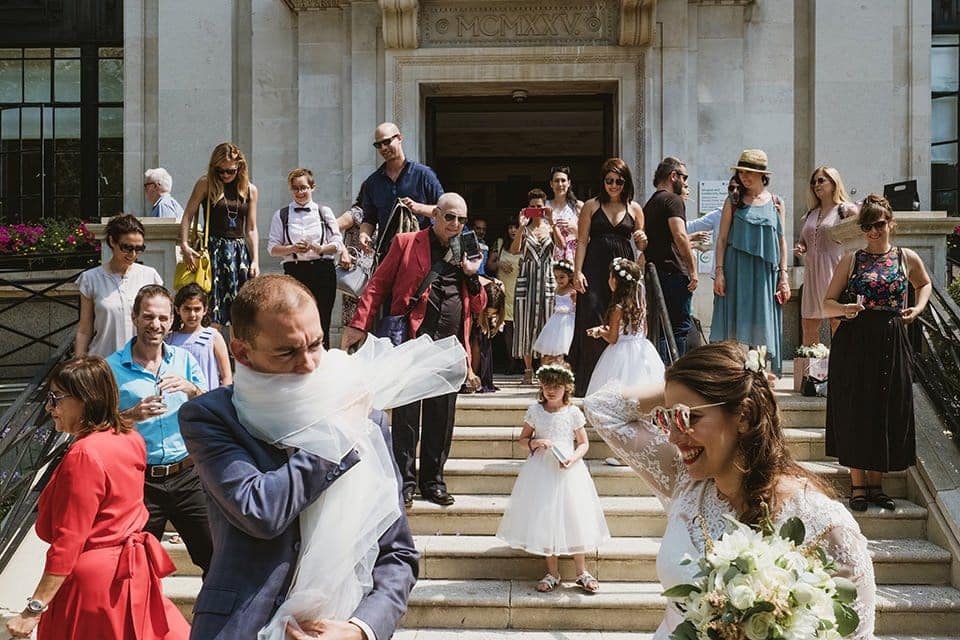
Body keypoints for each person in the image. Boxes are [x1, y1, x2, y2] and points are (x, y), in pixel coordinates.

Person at [179, 275, 429, 640]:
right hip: (243, 627)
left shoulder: (364, 416)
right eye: (288, 352)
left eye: (316, 345)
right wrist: (338, 433)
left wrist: (361, 629)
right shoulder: (210, 416)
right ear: (241, 352)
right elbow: (260, 510)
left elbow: (397, 554)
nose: (310, 364)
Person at [583, 341, 877, 640]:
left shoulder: (823, 522)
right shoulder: (684, 481)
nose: (673, 436)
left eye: (688, 417)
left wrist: (738, 385)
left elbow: (857, 632)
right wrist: (682, 388)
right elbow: (601, 407)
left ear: (744, 415)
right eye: (666, 418)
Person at [4, 356, 189, 640]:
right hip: (128, 575)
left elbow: (69, 541)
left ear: (85, 399)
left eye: (56, 398)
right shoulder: (129, 437)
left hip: (93, 588)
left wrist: (33, 609)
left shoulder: (85, 454)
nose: (49, 406)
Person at [343, 192, 487, 507]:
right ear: (435, 214)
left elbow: (478, 305)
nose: (456, 224)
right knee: (407, 416)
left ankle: (433, 482)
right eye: (450, 217)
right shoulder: (407, 242)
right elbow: (379, 284)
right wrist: (358, 325)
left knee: (441, 417)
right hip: (410, 341)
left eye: (461, 219)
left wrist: (472, 277)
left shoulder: (467, 248)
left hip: (449, 346)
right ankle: (404, 482)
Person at [822, 194, 931, 512]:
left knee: (886, 405)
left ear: (890, 223)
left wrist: (918, 308)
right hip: (856, 339)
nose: (873, 231)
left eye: (879, 224)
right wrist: (845, 308)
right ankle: (858, 486)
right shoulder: (851, 259)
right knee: (857, 406)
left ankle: (876, 485)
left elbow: (923, 284)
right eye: (867, 225)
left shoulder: (906, 257)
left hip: (892, 338)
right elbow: (826, 303)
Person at [106, 285, 212, 575]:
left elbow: (210, 408)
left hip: (187, 476)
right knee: (135, 568)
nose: (156, 325)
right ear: (135, 317)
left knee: (216, 559)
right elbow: (97, 427)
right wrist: (131, 415)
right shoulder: (110, 368)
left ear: (171, 321)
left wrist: (192, 389)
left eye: (163, 318)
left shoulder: (184, 360)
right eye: (149, 317)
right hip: (140, 482)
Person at [496, 363, 609, 594]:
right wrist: (535, 442)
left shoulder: (572, 412)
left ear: (566, 387)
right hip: (542, 471)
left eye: (557, 386)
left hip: (568, 470)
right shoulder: (535, 411)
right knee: (545, 517)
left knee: (574, 516)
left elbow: (584, 443)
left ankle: (581, 571)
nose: (551, 390)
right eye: (547, 385)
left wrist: (573, 458)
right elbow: (522, 440)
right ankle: (553, 572)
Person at [570, 157, 646, 396]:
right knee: (592, 316)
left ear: (626, 183)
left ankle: (617, 381)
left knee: (620, 321)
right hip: (594, 265)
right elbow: (582, 241)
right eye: (609, 180)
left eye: (619, 181)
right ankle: (589, 382)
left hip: (623, 269)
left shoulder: (635, 208)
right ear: (602, 181)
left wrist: (642, 246)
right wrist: (577, 271)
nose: (613, 185)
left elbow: (641, 245)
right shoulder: (591, 206)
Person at [711, 149, 790, 376]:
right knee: (734, 320)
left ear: (762, 175)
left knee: (762, 323)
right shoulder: (733, 201)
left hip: (765, 272)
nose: (744, 176)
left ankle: (760, 373)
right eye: (741, 172)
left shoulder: (776, 202)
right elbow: (723, 238)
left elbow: (781, 240)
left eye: (750, 172)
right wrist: (720, 271)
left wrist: (783, 276)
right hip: (736, 269)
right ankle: (734, 373)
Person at [180, 142, 260, 326]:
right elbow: (187, 216)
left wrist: (255, 259)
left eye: (230, 171)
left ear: (239, 166)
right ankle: (212, 352)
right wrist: (185, 244)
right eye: (220, 170)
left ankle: (235, 354)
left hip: (239, 253)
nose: (225, 175)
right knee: (213, 307)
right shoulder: (205, 184)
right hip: (213, 250)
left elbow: (252, 228)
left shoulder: (249, 190)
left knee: (239, 312)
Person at [267, 168, 343, 349]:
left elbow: (338, 243)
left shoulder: (324, 212)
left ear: (312, 187)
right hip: (295, 270)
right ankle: (298, 361)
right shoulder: (282, 215)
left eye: (303, 188)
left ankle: (322, 361)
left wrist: (321, 248)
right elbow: (272, 248)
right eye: (295, 189)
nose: (300, 193)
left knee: (322, 317)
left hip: (322, 268)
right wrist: (292, 248)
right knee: (295, 318)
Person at [75, 214, 163, 357]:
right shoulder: (90, 279)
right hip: (103, 361)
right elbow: (85, 329)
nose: (133, 254)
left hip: (141, 362)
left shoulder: (150, 276)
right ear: (112, 242)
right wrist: (78, 361)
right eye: (127, 247)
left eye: (139, 248)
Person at [358, 122, 444, 262]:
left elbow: (444, 211)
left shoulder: (423, 174)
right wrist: (363, 234)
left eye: (386, 142)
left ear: (399, 138)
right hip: (388, 257)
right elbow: (369, 219)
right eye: (378, 145)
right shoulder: (372, 183)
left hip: (423, 255)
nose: (383, 148)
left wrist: (419, 208)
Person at [642, 157, 698, 361]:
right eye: (684, 177)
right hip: (674, 273)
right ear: (673, 176)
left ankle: (663, 375)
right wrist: (692, 270)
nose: (684, 183)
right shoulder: (673, 200)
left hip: (655, 274)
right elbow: (680, 235)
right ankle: (675, 376)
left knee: (660, 330)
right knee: (678, 329)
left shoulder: (650, 204)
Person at [795, 166, 858, 345]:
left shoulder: (844, 210)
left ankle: (839, 366)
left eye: (821, 180)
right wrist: (800, 247)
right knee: (808, 322)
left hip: (835, 271)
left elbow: (863, 229)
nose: (816, 184)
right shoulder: (809, 214)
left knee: (836, 321)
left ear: (834, 182)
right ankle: (812, 369)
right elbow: (803, 241)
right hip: (812, 273)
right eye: (814, 182)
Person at [585, 257, 665, 395]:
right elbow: (643, 331)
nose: (608, 280)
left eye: (610, 276)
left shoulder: (618, 308)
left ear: (615, 281)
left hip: (620, 352)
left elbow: (613, 338)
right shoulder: (640, 305)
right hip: (642, 347)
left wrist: (600, 332)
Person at [512, 188, 560, 384]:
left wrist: (552, 221)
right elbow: (515, 250)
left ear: (545, 206)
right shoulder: (525, 228)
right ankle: (528, 369)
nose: (536, 210)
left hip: (547, 279)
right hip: (527, 279)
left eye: (539, 206)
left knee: (546, 323)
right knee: (525, 323)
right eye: (532, 207)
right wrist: (521, 227)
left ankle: (544, 369)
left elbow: (562, 245)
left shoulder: (550, 227)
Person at [167, 283, 232, 389]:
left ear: (205, 310)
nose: (192, 315)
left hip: (207, 400)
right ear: (178, 309)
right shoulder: (170, 339)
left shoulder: (213, 337)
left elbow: (226, 376)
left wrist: (222, 400)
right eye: (187, 309)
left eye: (197, 309)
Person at [686, 176, 740, 279]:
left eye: (739, 188)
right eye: (731, 188)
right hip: (722, 275)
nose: (735, 192)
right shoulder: (718, 214)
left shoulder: (752, 214)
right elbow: (691, 226)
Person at [486, 218, 522, 374]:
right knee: (507, 329)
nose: (513, 230)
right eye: (510, 227)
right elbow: (489, 265)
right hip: (504, 291)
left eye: (516, 227)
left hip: (521, 290)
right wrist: (500, 264)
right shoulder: (499, 243)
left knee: (522, 328)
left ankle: (524, 363)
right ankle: (511, 362)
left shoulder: (527, 243)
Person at [335, 186, 373, 330]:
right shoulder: (357, 213)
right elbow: (332, 227)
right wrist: (343, 251)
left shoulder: (381, 214)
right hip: (355, 271)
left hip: (372, 273)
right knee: (354, 319)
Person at [532, 259, 577, 366]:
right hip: (556, 322)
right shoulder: (557, 290)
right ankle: (547, 370)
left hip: (568, 322)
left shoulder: (573, 291)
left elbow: (576, 307)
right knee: (550, 350)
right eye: (556, 277)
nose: (558, 280)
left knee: (564, 348)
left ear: (570, 276)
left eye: (562, 277)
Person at [468, 277, 505, 393]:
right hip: (472, 310)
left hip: (482, 318)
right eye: (488, 312)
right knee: (476, 342)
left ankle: (480, 377)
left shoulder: (498, 288)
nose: (490, 315)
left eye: (492, 313)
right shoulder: (478, 286)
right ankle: (472, 376)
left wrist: (491, 319)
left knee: (482, 341)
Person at [546, 165, 583, 262]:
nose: (560, 184)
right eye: (556, 181)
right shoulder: (545, 206)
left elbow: (588, 239)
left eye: (563, 180)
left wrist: (574, 228)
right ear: (551, 184)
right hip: (548, 255)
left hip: (572, 257)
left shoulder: (577, 206)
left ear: (569, 183)